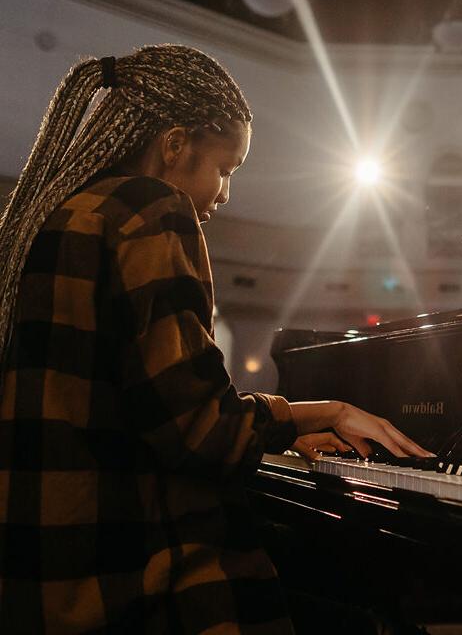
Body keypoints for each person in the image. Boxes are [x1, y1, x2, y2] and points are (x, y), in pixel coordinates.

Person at [0, 44, 431, 633]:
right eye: (224, 168)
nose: (225, 194)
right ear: (175, 144)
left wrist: (276, 439)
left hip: (43, 573)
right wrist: (324, 412)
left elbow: (139, 412)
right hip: (125, 579)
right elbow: (201, 433)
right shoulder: (151, 211)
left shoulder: (55, 216)